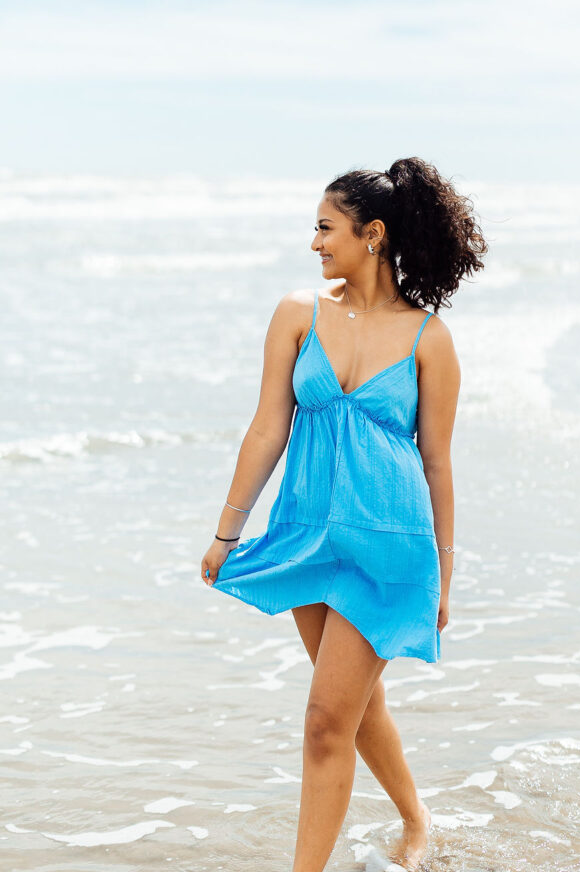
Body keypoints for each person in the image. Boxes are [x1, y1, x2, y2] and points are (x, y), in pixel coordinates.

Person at [200, 157, 488, 871]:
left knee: (327, 721)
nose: (314, 243)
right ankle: (418, 820)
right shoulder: (298, 314)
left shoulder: (429, 339)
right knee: (357, 708)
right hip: (307, 537)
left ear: (373, 234)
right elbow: (267, 428)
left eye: (325, 227)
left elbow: (438, 465)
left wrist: (445, 578)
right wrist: (225, 533)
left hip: (388, 548)